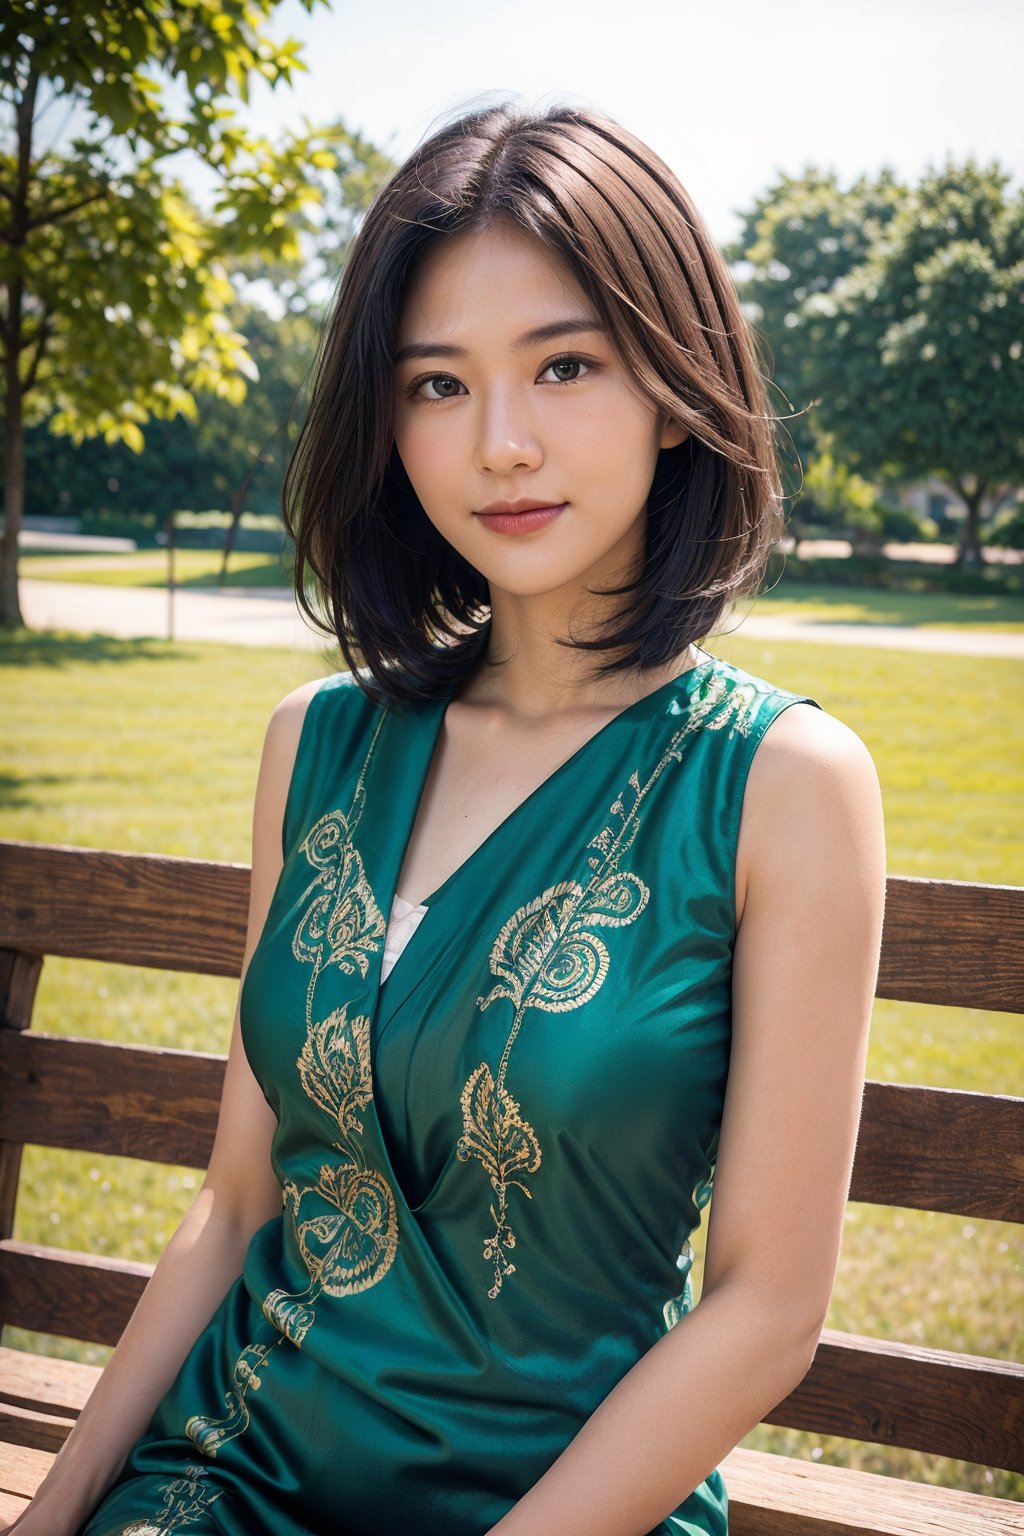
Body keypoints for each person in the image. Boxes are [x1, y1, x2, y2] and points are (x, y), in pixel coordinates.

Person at [6, 99, 886, 1536]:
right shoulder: (319, 744)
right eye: (435, 384)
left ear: (674, 386)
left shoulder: (782, 784)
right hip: (231, 1474)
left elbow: (768, 1314)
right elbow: (236, 1208)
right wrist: (53, 1516)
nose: (501, 444)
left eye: (565, 365)